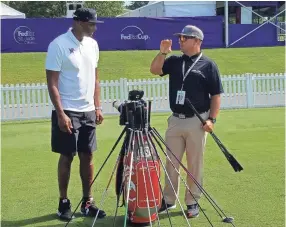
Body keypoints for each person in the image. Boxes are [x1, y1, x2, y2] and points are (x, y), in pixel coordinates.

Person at [150, 25, 224, 218]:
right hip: (175, 120)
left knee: (194, 164)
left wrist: (212, 119)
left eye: (185, 38)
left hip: (197, 121)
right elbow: (154, 70)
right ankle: (168, 199)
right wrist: (162, 53)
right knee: (171, 162)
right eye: (180, 38)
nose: (180, 41)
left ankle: (192, 202)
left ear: (197, 41)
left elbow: (216, 95)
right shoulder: (174, 61)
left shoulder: (208, 65)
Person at [45, 8, 106, 221]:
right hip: (67, 110)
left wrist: (97, 107)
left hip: (88, 110)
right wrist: (61, 113)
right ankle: (64, 202)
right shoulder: (58, 44)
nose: (95, 28)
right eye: (91, 24)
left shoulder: (93, 44)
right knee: (67, 156)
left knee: (88, 155)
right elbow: (52, 83)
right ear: (78, 22)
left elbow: (95, 78)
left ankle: (87, 202)